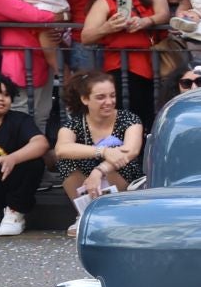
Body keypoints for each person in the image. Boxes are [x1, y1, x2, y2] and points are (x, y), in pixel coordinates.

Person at [80, 0, 167, 128]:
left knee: (156, 114)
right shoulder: (104, 1)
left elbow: (164, 14)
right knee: (130, 115)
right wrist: (107, 28)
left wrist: (146, 21)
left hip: (158, 64)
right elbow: (86, 37)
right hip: (121, 68)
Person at [54, 70, 143, 235]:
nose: (109, 102)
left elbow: (131, 150)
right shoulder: (74, 124)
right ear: (85, 99)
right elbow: (61, 149)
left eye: (112, 96)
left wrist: (99, 170)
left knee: (122, 159)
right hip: (86, 183)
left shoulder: (129, 119)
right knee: (67, 160)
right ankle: (84, 213)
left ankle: (112, 214)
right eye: (101, 97)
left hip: (119, 177)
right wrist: (102, 151)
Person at [0, 75, 50, 236]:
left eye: (5, 95)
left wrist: (13, 158)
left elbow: (41, 143)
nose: (0, 99)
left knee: (34, 162)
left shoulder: (19, 120)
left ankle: (15, 213)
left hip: (7, 183)